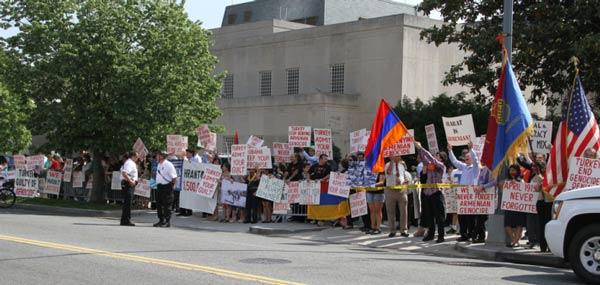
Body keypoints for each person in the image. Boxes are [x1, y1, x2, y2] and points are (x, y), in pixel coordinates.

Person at [448, 142, 480, 242]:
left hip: (471, 194)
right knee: (462, 216)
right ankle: (464, 235)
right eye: (465, 158)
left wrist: (471, 150)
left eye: (467, 158)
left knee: (471, 217)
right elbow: (455, 161)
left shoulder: (475, 167)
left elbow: (475, 160)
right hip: (463, 194)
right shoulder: (464, 167)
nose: (466, 160)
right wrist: (450, 150)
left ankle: (471, 234)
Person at [416, 142, 447, 243]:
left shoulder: (441, 166)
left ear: (441, 159)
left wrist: (422, 147)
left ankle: (441, 236)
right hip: (428, 193)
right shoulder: (430, 165)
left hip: (436, 193)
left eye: (438, 156)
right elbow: (424, 159)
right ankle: (431, 234)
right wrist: (419, 150)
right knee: (429, 216)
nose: (435, 157)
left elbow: (431, 159)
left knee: (439, 217)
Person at [384, 155, 410, 237]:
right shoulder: (387, 165)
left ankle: (404, 230)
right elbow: (388, 172)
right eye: (397, 156)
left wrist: (405, 181)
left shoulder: (402, 166)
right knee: (391, 211)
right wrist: (392, 162)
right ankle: (392, 230)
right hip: (390, 190)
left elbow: (404, 176)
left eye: (399, 156)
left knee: (404, 211)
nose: (399, 157)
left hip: (401, 190)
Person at [504, 164, 527, 247]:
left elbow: (524, 189)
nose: (512, 172)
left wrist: (517, 183)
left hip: (518, 206)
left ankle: (515, 242)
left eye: (514, 170)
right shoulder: (507, 180)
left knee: (519, 224)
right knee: (507, 225)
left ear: (517, 171)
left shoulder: (521, 180)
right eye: (511, 170)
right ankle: (514, 239)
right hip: (509, 206)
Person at [474, 164, 496, 243]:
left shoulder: (494, 168)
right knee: (479, 217)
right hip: (481, 196)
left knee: (482, 218)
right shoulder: (482, 169)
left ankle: (475, 234)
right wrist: (478, 186)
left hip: (490, 196)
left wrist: (484, 186)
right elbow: (480, 180)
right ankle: (481, 236)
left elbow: (494, 182)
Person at [155, 151, 178, 227]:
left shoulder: (168, 165)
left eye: (158, 155)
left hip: (167, 186)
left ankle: (167, 221)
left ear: (162, 156)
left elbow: (174, 177)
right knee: (159, 204)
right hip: (159, 186)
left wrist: (171, 185)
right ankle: (161, 220)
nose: (156, 157)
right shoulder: (159, 164)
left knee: (167, 204)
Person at [533, 161, 552, 252]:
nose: (535, 170)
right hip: (541, 202)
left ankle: (550, 246)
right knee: (542, 224)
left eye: (537, 168)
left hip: (549, 202)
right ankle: (543, 246)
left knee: (549, 224)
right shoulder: (536, 177)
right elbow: (536, 189)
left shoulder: (551, 175)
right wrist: (541, 182)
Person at [120, 151, 139, 226]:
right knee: (128, 203)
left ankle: (124, 220)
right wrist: (130, 181)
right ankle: (126, 220)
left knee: (127, 202)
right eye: (137, 156)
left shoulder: (130, 163)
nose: (138, 158)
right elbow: (124, 173)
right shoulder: (130, 163)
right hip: (128, 184)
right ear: (133, 156)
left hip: (128, 183)